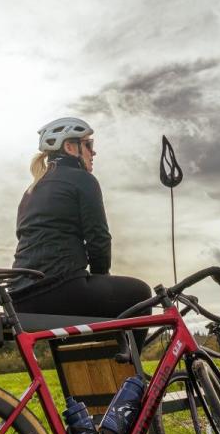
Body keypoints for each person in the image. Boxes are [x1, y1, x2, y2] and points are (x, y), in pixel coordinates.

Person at [10, 117, 151, 353]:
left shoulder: (32, 189)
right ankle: (131, 381)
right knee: (140, 294)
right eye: (88, 145)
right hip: (58, 288)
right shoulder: (83, 180)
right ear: (70, 147)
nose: (93, 153)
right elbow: (98, 238)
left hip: (21, 297)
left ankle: (98, 376)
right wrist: (100, 277)